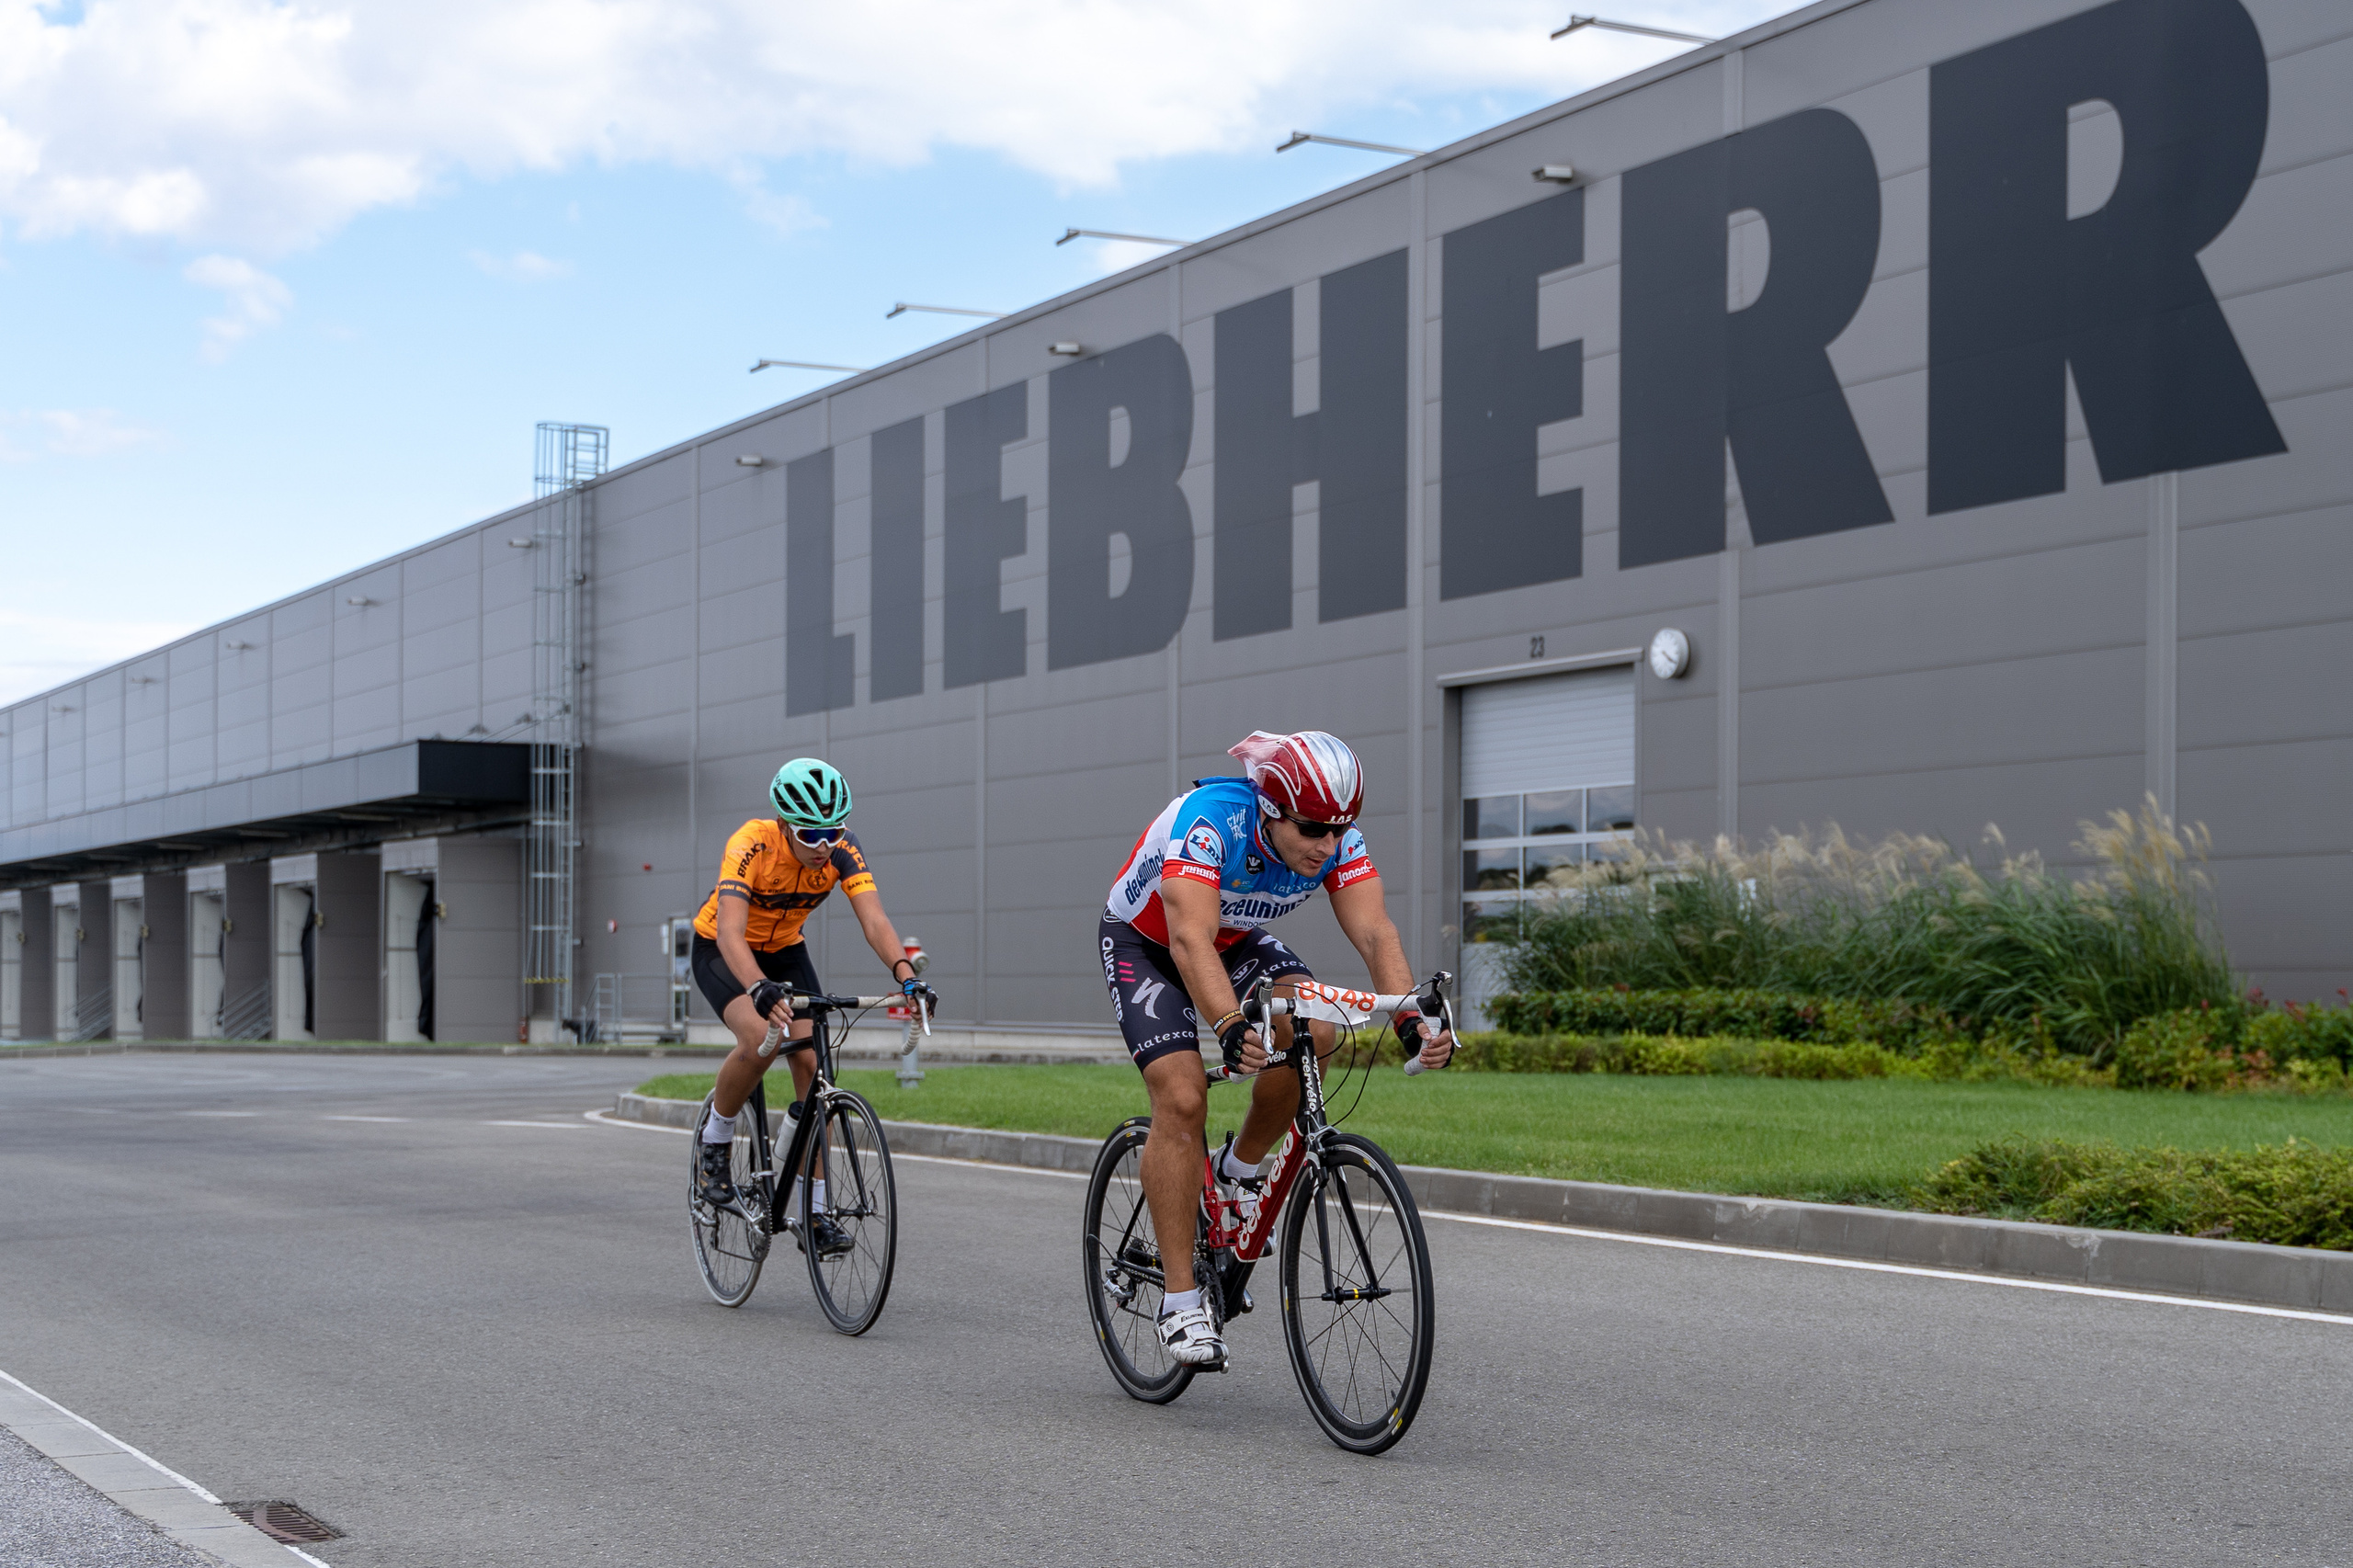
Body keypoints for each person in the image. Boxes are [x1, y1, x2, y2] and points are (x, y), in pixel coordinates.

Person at [1099, 729, 1455, 1367]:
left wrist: (1410, 1020)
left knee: (1316, 1030)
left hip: (1233, 940)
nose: (1327, 844)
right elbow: (1187, 942)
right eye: (1313, 828)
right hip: (1150, 944)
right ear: (1270, 810)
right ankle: (1180, 1304)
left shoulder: (1336, 839)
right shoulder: (1209, 823)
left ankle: (1237, 1170)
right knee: (1182, 1099)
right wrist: (1233, 1026)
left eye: (1339, 829)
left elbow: (1375, 934)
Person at [690, 757, 929, 1254]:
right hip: (723, 950)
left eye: (834, 832)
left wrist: (906, 977)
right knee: (760, 1039)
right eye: (810, 834)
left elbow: (875, 921)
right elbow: (731, 931)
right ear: (783, 825)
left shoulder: (842, 851)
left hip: (785, 950)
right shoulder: (751, 844)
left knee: (811, 1062)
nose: (824, 846)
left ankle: (813, 1210)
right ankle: (715, 1141)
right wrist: (758, 987)